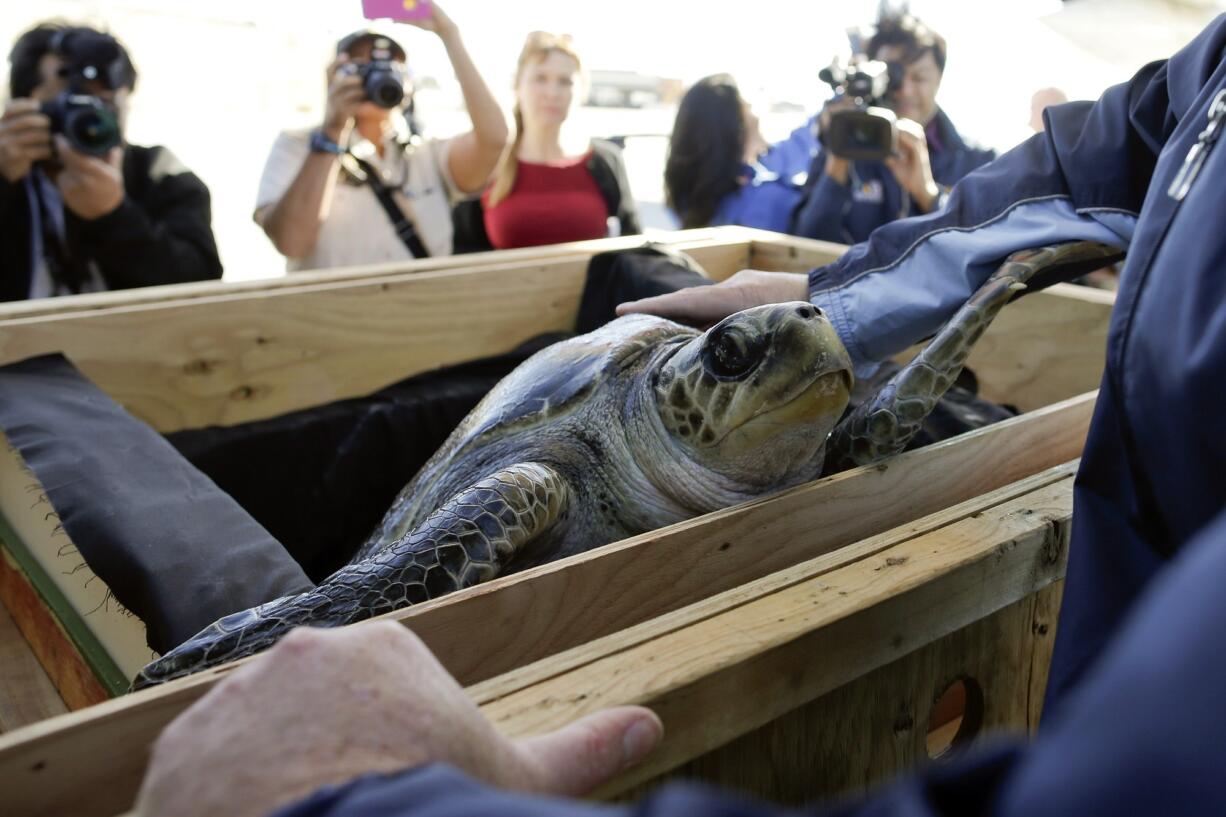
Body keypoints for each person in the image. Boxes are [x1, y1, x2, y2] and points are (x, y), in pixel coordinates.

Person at [136, 15, 1226, 816]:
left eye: (818, 368)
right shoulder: (541, 479)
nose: (812, 368)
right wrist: (844, 296)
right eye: (747, 363)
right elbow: (1111, 148)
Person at [254, 4, 507, 270]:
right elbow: (291, 242)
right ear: (334, 77)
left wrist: (449, 34)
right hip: (330, 312)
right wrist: (332, 131)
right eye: (361, 66)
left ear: (408, 84)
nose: (376, 76)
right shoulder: (297, 146)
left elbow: (495, 139)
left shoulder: (426, 155)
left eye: (390, 67)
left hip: (422, 308)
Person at [0, 23, 221, 302]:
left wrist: (114, 216)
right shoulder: (10, 170)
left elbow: (202, 290)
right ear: (24, 107)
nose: (88, 123)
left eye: (102, 106)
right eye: (70, 106)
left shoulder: (157, 172)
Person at [791, 11, 995, 244]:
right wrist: (837, 165)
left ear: (939, 80)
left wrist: (929, 196)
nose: (905, 91)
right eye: (894, 77)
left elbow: (985, 250)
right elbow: (803, 247)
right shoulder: (839, 149)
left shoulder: (978, 161)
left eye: (919, 78)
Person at [457, 31, 638, 251]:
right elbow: (463, 253)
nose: (552, 93)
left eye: (565, 82)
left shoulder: (605, 160)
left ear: (580, 91)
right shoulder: (489, 161)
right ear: (518, 86)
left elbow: (635, 244)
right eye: (540, 79)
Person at [663, 73, 818, 232]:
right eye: (748, 108)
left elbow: (781, 158)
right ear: (736, 130)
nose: (756, 118)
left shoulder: (686, 196)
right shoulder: (765, 200)